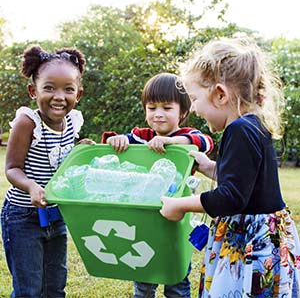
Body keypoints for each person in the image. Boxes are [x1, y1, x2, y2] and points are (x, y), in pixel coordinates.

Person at [160, 37, 300, 297]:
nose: (195, 109)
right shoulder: (253, 125)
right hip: (265, 234)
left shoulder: (239, 130)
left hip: (250, 242)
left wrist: (179, 205)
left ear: (220, 94)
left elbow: (232, 197)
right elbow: (245, 183)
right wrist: (209, 167)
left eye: (195, 99)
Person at [102, 72, 214, 298]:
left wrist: (171, 141)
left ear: (182, 112)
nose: (158, 114)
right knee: (144, 275)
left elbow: (204, 142)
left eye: (166, 107)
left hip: (177, 219)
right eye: (152, 108)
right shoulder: (141, 137)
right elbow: (111, 144)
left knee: (177, 278)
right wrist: (117, 140)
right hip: (144, 217)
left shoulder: (186, 135)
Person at [0, 45, 91, 297]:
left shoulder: (74, 121)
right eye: (49, 87)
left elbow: (62, 163)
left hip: (56, 215)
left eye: (68, 89)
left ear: (78, 94)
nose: (59, 96)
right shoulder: (27, 122)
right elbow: (12, 168)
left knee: (55, 286)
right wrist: (31, 186)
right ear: (33, 91)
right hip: (23, 217)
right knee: (29, 289)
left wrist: (81, 151)